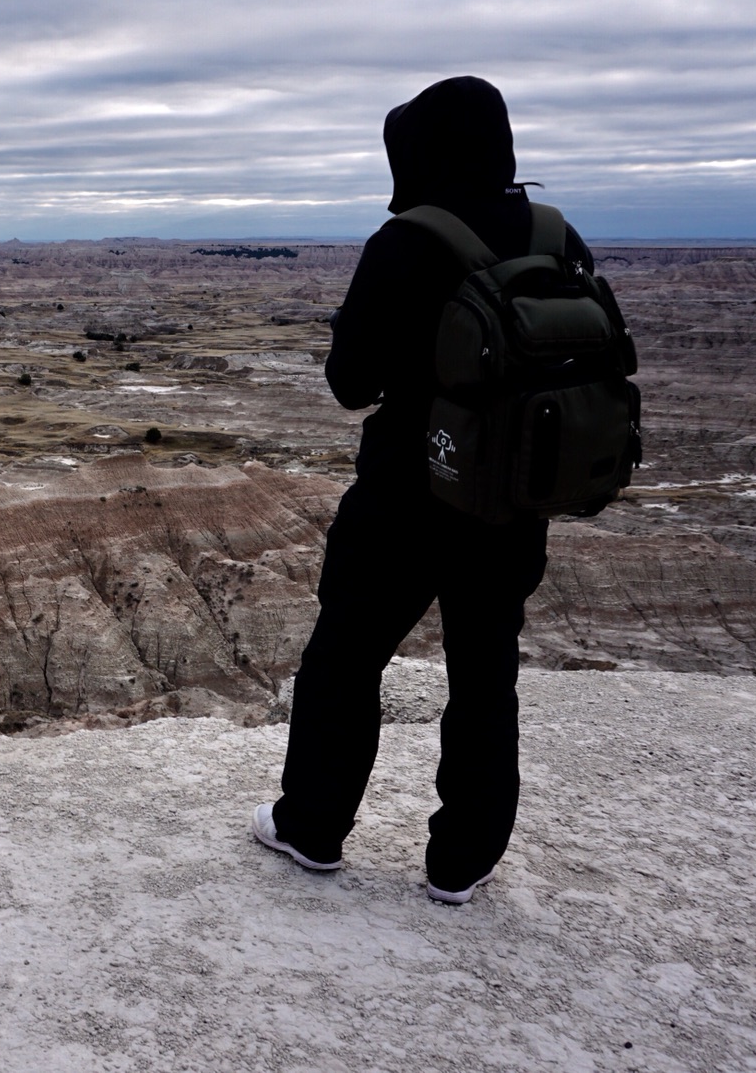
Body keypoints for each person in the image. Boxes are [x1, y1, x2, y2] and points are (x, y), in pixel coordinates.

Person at [250, 75, 594, 904]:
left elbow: (350, 382)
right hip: (511, 501)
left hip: (407, 493)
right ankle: (462, 862)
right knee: (485, 671)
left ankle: (312, 829)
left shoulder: (408, 239)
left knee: (345, 657)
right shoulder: (555, 233)